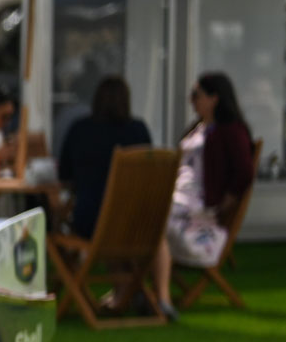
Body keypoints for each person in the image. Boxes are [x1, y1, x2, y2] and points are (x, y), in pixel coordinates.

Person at [147, 72, 255, 322]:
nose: (191, 100)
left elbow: (245, 171)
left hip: (197, 204)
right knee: (138, 214)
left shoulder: (230, 131)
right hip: (178, 196)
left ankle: (159, 297)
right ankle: (137, 292)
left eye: (196, 94)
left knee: (148, 218)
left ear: (214, 98)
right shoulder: (198, 127)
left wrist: (225, 202)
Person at [57, 75, 152, 239]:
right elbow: (148, 176)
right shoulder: (138, 130)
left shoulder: (81, 129)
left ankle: (74, 260)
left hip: (91, 220)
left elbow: (65, 175)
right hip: (133, 222)